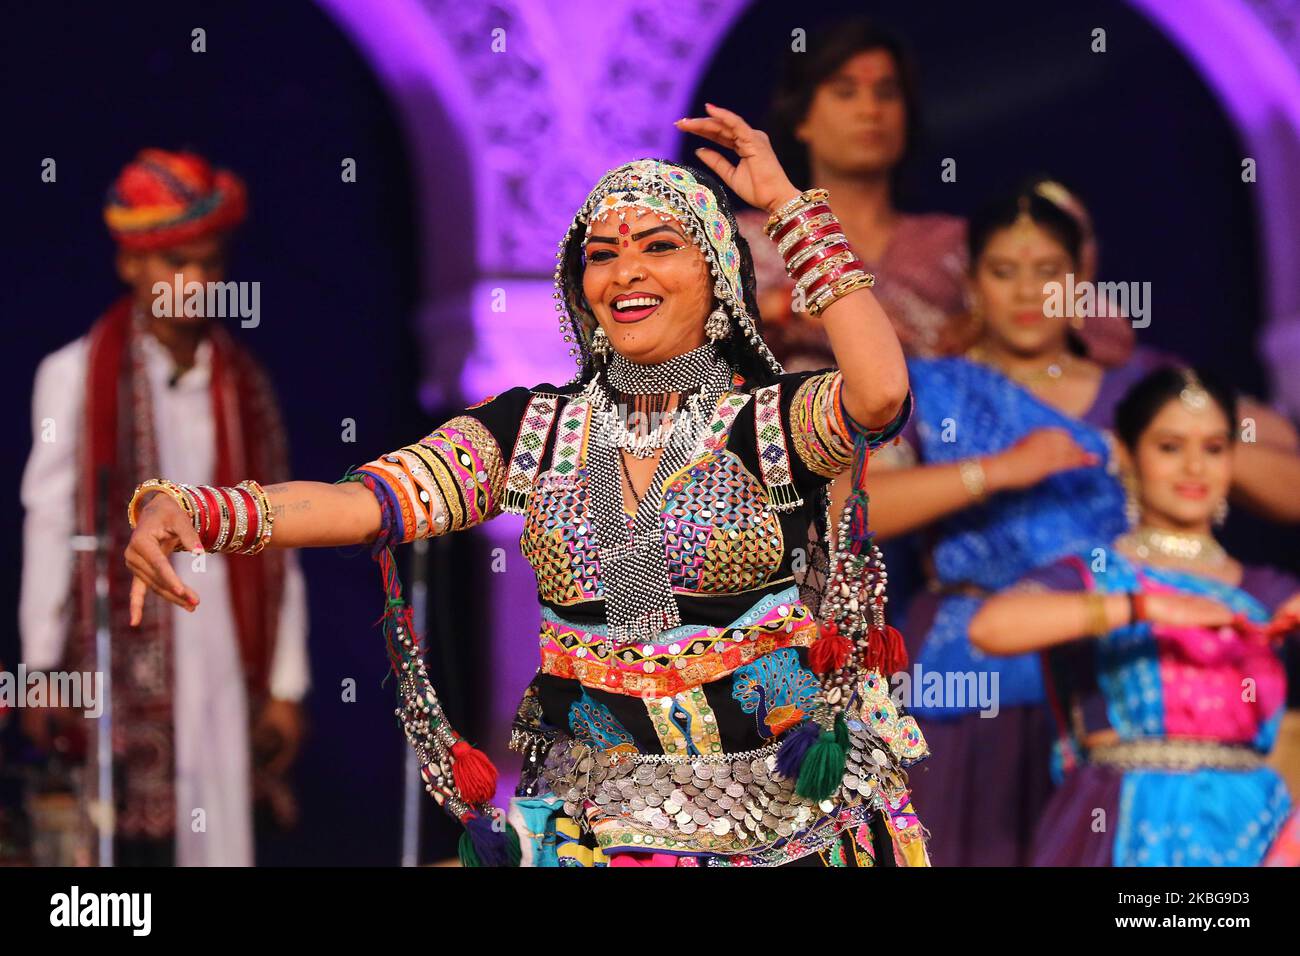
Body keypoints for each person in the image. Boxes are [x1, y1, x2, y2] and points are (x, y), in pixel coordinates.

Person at [123, 107, 932, 867]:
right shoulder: (536, 430)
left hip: (780, 823)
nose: (625, 272)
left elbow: (880, 394)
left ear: (717, 272)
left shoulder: (771, 421)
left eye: (658, 247)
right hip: (597, 826)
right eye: (602, 255)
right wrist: (198, 510)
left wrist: (790, 207)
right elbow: (367, 502)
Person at [863, 179, 1300, 866]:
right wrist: (997, 471)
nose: (1027, 292)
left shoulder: (1140, 386)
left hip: (1117, 676)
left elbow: (1282, 468)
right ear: (973, 281)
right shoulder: (933, 387)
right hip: (972, 673)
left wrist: (1189, 444)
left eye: (1048, 273)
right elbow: (862, 508)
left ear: (1082, 279)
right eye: (1004, 272)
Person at [20, 149, 309, 866]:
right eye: (175, 262)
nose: (196, 283)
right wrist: (38, 667)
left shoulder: (247, 386)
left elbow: (281, 536)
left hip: (225, 651)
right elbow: (52, 525)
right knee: (115, 854)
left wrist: (285, 686)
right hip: (120, 655)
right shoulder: (75, 376)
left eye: (210, 264)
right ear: (130, 265)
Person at [970, 366, 1300, 865]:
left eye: (1213, 448)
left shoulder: (1265, 590)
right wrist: (1147, 606)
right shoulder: (1097, 574)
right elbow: (990, 626)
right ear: (1126, 453)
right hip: (1125, 819)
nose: (1194, 467)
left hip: (1252, 824)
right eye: (1170, 447)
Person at [736, 18, 1135, 369]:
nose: (870, 109)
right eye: (845, 92)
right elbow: (690, 357)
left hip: (940, 446)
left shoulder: (955, 243)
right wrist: (780, 308)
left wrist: (986, 325)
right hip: (796, 444)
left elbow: (1111, 338)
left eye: (887, 93)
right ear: (801, 120)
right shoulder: (751, 239)